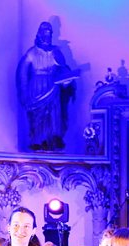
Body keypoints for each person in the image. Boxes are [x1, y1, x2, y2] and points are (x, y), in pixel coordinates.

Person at [16, 21, 77, 152]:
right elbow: (22, 75)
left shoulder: (56, 52)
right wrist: (24, 94)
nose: (47, 38)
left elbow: (63, 70)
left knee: (54, 114)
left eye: (49, 35)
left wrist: (67, 81)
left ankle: (53, 139)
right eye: (44, 35)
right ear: (39, 35)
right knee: (38, 116)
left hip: (53, 87)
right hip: (36, 89)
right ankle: (38, 140)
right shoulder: (31, 53)